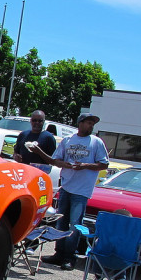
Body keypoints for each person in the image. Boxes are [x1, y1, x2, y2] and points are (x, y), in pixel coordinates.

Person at [31, 112, 109, 270]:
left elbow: (104, 164)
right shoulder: (68, 141)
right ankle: (58, 253)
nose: (90, 126)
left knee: (75, 224)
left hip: (82, 190)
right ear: (80, 123)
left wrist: (85, 166)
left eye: (92, 124)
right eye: (88, 123)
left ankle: (69, 256)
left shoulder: (96, 142)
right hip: (66, 187)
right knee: (61, 222)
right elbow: (55, 160)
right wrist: (64, 164)